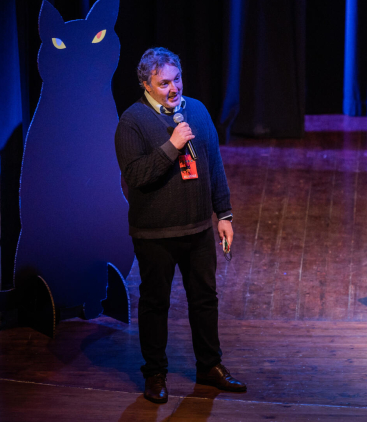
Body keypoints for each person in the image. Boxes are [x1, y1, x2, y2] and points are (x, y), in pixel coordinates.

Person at [115, 47, 246, 403]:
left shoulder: (197, 111)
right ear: (146, 84)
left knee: (204, 299)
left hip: (199, 228)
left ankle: (210, 366)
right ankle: (155, 373)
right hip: (156, 234)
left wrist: (224, 215)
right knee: (155, 303)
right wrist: (172, 146)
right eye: (164, 83)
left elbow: (213, 165)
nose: (173, 89)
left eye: (177, 80)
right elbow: (135, 176)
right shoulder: (132, 122)